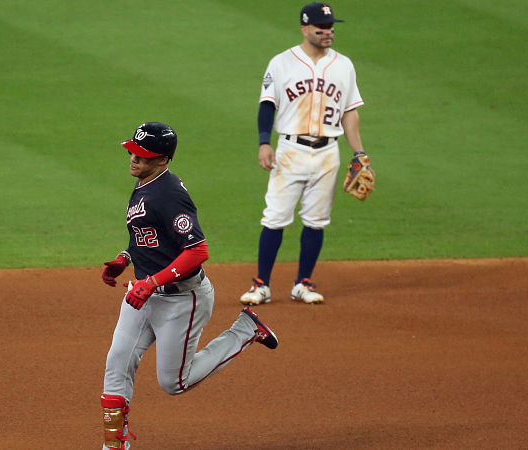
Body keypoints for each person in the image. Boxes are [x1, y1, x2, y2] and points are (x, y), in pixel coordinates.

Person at [99, 122, 279, 450]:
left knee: (173, 383)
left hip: (182, 299)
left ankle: (245, 330)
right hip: (144, 294)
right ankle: (114, 446)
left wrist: (152, 282)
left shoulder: (169, 194)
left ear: (163, 159)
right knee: (117, 363)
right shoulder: (144, 182)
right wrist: (125, 258)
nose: (133, 158)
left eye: (143, 155)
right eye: (133, 151)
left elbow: (198, 250)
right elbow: (148, 236)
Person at [240, 2, 370, 306]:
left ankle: (303, 283)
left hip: (328, 153)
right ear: (304, 28)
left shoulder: (344, 65)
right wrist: (263, 142)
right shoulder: (282, 63)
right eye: (320, 29)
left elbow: (350, 112)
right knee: (274, 218)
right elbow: (267, 104)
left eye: (330, 28)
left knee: (317, 220)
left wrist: (359, 151)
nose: (328, 33)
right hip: (290, 150)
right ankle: (262, 285)